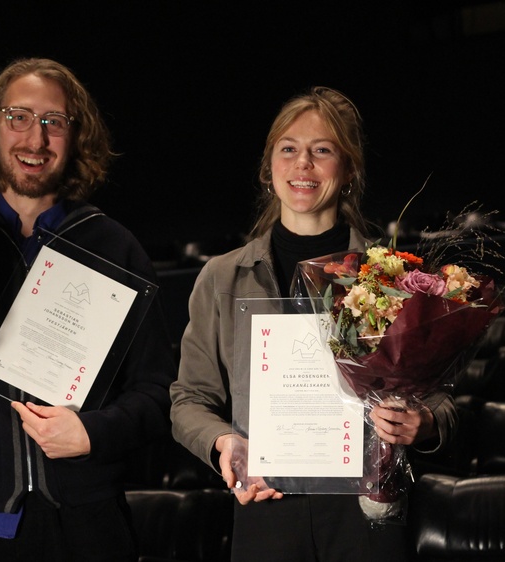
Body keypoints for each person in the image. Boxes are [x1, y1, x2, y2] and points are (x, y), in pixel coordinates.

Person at [0, 57, 176, 561]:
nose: (35, 140)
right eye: (19, 117)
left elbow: (157, 392)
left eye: (53, 123)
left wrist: (94, 431)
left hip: (86, 525)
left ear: (75, 135)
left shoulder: (113, 246)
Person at [169, 86, 457, 561]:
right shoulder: (222, 277)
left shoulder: (394, 275)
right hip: (265, 505)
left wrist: (422, 423)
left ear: (348, 171)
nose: (303, 165)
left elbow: (443, 400)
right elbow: (188, 399)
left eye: (321, 151)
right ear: (269, 169)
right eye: (289, 150)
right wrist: (223, 442)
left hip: (366, 511)